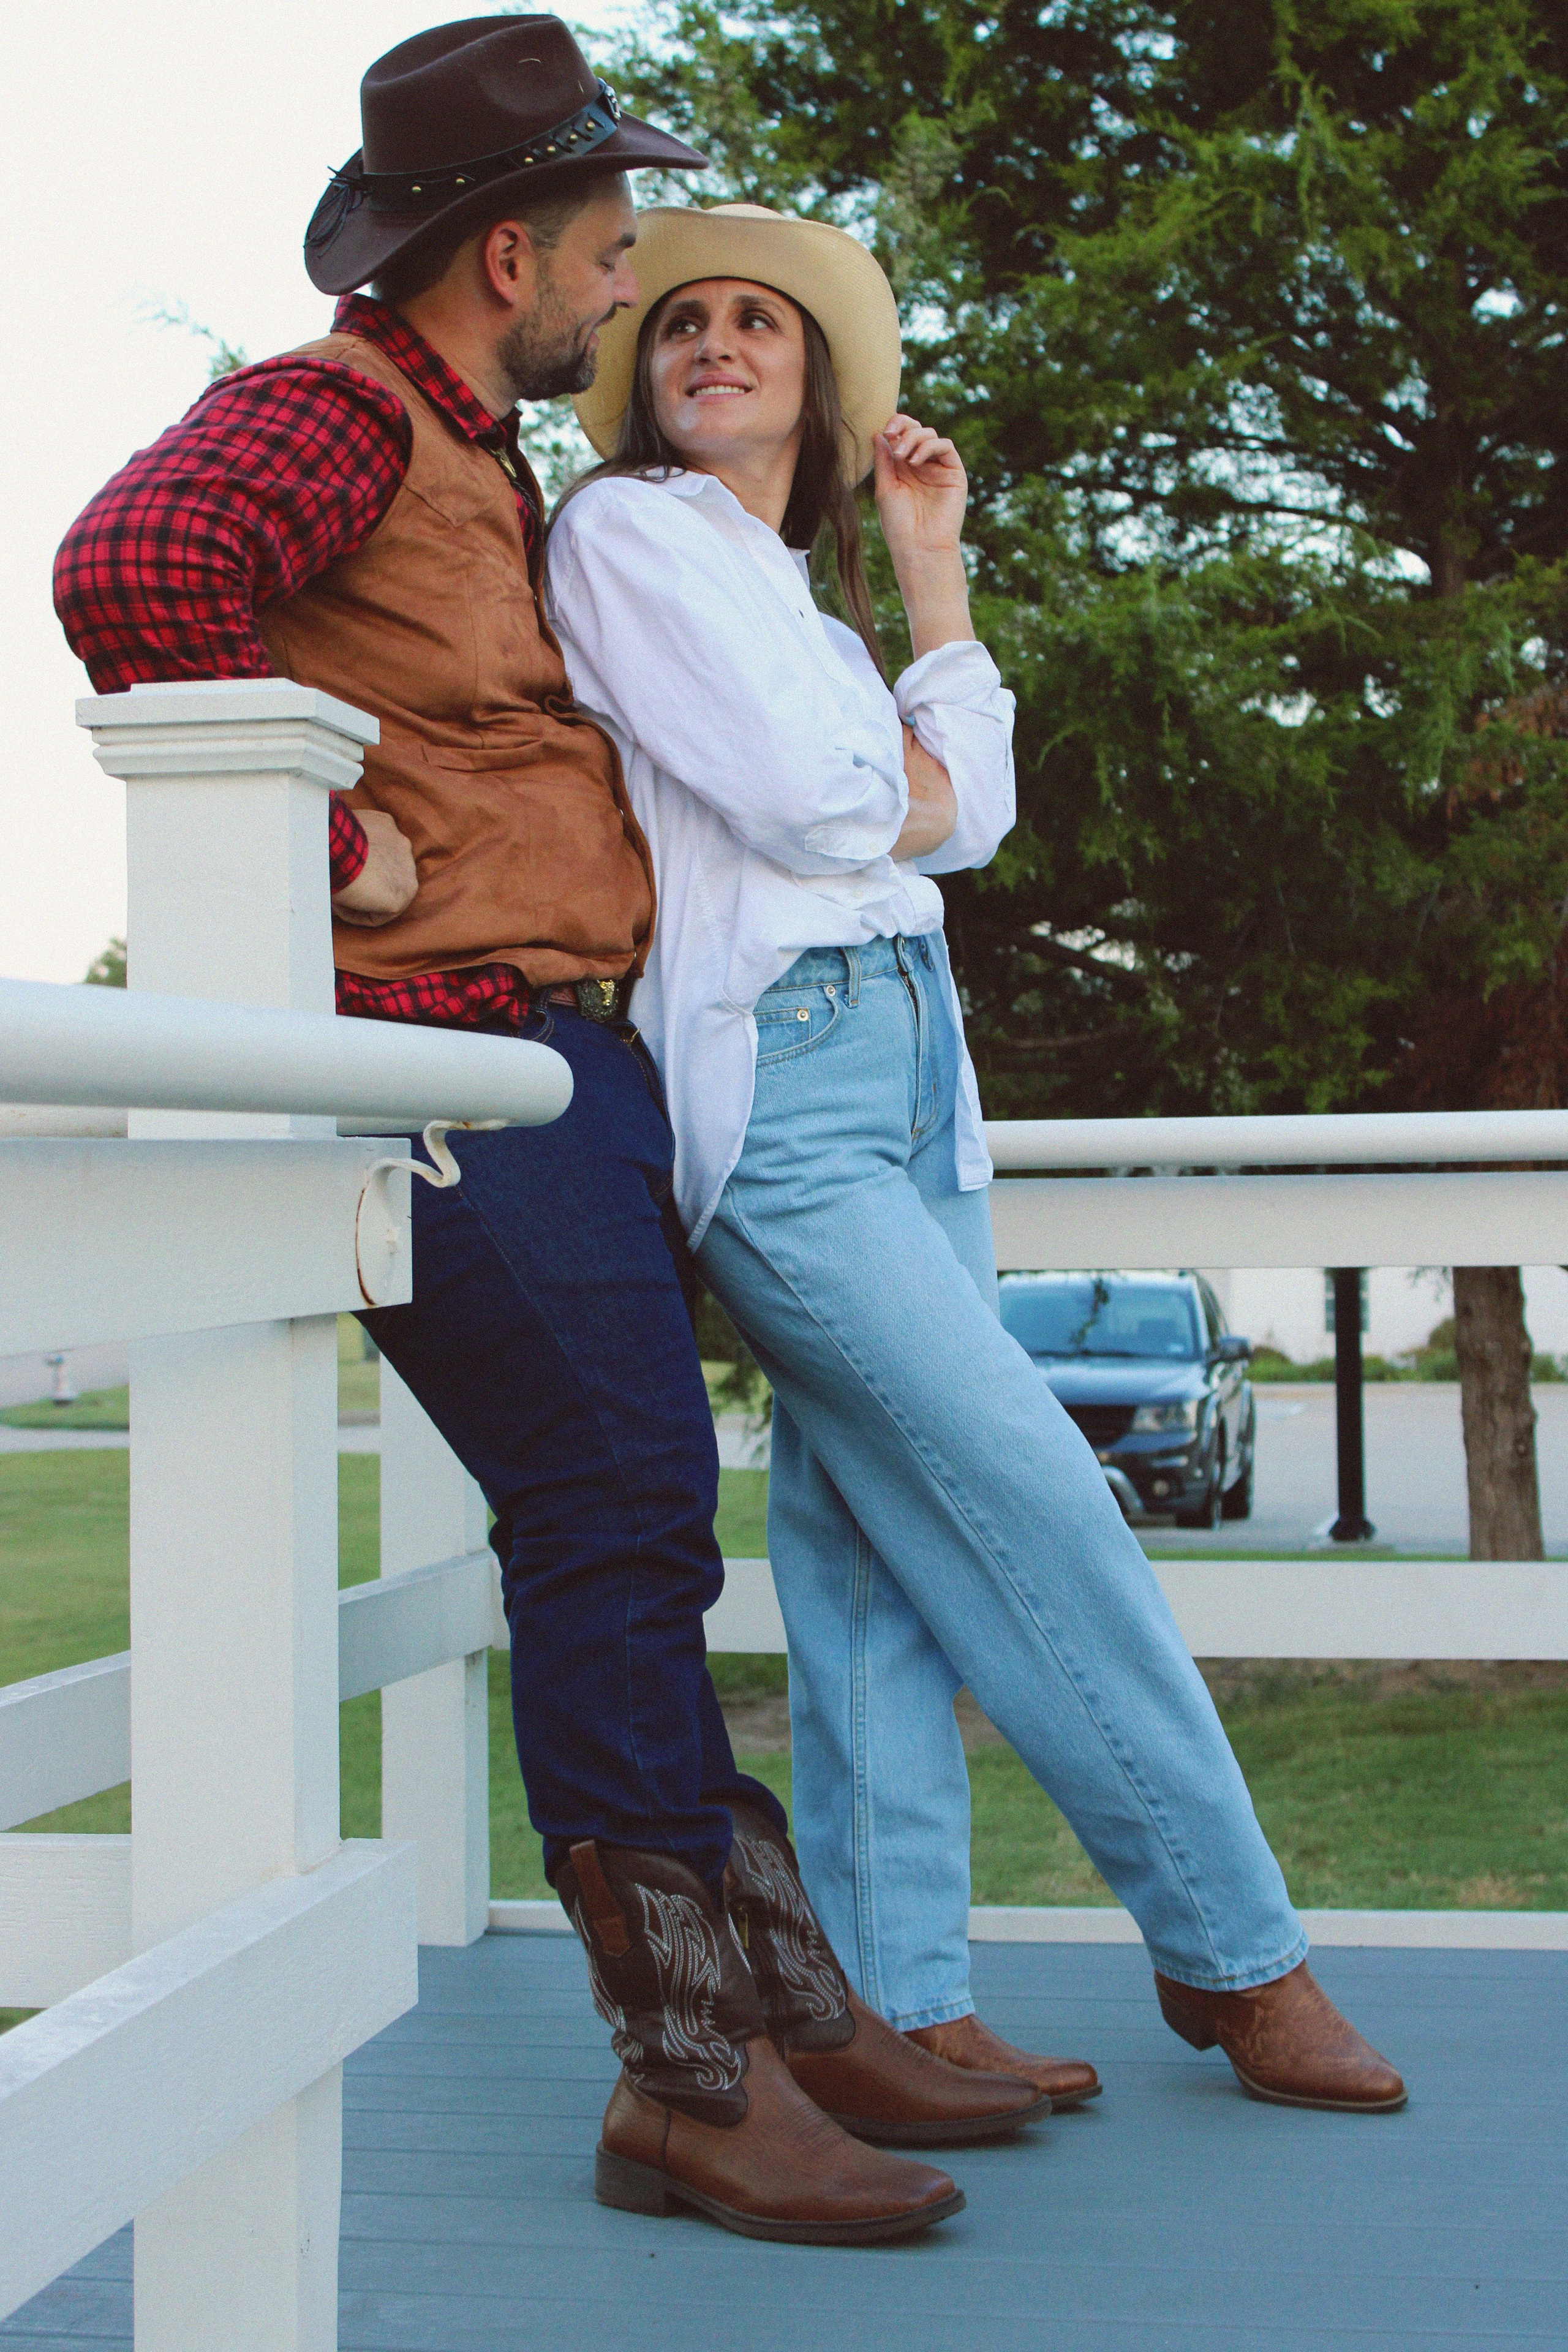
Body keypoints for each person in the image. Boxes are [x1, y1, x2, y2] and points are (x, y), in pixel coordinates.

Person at [52, 20, 1049, 2247]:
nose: (622, 294)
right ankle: (688, 2085)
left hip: (555, 1058)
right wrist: (317, 856)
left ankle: (780, 2014)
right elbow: (132, 573)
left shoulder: (454, 438)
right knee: (608, 1510)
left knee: (633, 1519)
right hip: (449, 1056)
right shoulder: (325, 410)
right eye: (609, 253)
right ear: (512, 255)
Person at [545, 201, 1408, 2117]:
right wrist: (897, 798)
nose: (715, 343)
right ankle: (1237, 1954)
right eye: (681, 321)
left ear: (817, 380)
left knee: (864, 1557)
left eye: (760, 323)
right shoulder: (622, 535)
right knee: (1037, 1496)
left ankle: (890, 2003)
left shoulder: (821, 611)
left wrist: (933, 576)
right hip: (783, 1088)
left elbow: (968, 821)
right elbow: (822, 797)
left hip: (924, 1067)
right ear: (647, 377)